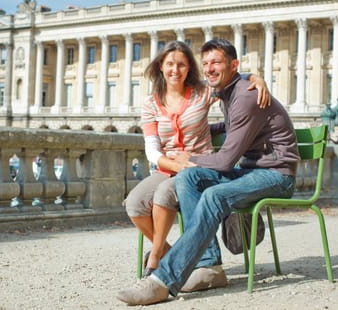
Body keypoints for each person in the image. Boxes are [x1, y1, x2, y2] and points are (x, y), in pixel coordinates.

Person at [117, 38, 300, 306]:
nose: (210, 69)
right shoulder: (227, 91)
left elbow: (225, 161)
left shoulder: (245, 94)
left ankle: (162, 281)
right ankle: (209, 267)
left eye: (216, 62)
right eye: (205, 64)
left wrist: (188, 157)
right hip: (252, 171)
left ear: (233, 65)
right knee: (190, 177)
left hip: (277, 175)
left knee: (213, 195)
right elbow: (231, 126)